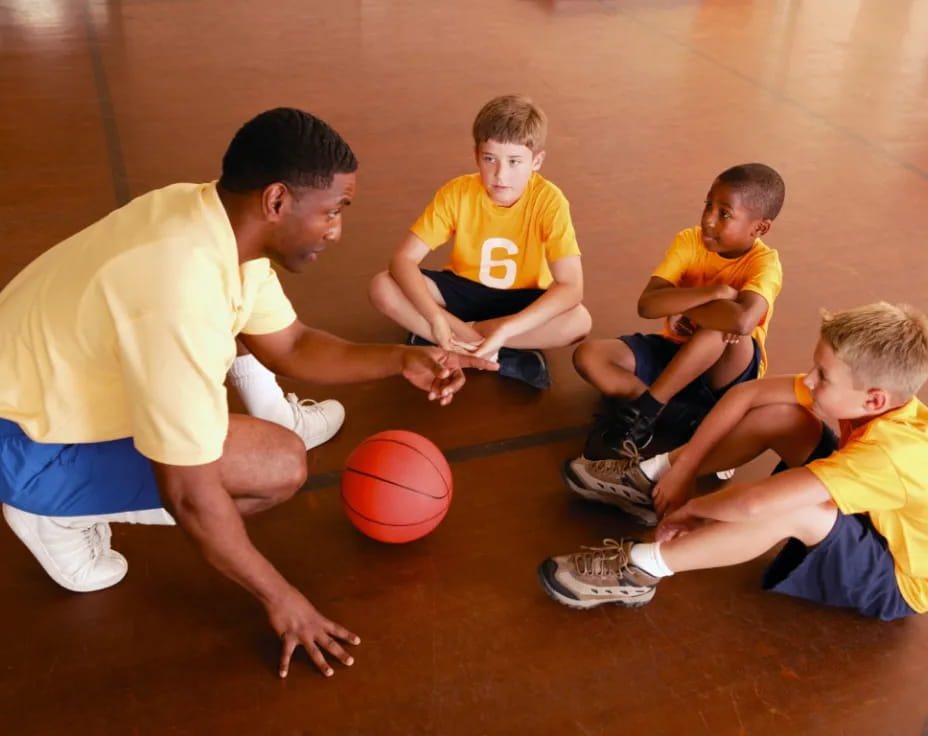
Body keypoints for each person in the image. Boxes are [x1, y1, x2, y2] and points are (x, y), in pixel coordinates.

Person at [0, 107, 496, 679]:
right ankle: (52, 514)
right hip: (27, 442)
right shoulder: (177, 288)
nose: (337, 230)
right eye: (333, 212)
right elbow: (188, 495)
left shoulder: (216, 221)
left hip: (49, 389)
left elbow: (293, 345)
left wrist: (401, 358)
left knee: (272, 454)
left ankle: (80, 490)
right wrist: (283, 601)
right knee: (270, 469)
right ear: (277, 201)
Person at [538, 302, 928, 622]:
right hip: (874, 512)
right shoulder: (879, 403)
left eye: (822, 376)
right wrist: (681, 469)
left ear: (874, 399)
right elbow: (750, 393)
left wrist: (691, 510)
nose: (808, 381)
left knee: (794, 509)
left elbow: (754, 504)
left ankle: (640, 568)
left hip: (891, 576)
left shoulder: (889, 452)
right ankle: (650, 478)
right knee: (783, 415)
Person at [565, 163, 785, 522]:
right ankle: (683, 416)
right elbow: (648, 304)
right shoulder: (689, 240)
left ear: (759, 228)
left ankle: (646, 412)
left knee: (719, 334)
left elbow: (743, 321)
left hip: (726, 373)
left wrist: (692, 310)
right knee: (590, 356)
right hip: (678, 355)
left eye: (724, 213)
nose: (709, 219)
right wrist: (714, 294)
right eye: (707, 205)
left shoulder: (765, 264)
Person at [368, 94, 591, 389]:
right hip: (462, 291)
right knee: (382, 285)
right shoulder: (458, 192)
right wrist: (435, 315)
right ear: (476, 155)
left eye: (514, 162)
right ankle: (497, 356)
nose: (501, 174)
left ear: (536, 161)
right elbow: (403, 260)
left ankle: (447, 341)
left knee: (579, 322)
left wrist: (505, 327)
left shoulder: (549, 201)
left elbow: (571, 287)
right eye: (490, 159)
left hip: (520, 300)